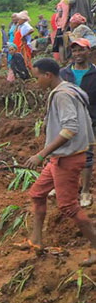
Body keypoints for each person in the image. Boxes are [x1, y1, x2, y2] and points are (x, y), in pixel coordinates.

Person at [23, 58, 96, 266]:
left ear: (48, 75)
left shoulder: (63, 95)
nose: (35, 81)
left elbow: (70, 128)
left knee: (68, 207)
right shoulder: (68, 89)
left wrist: (41, 154)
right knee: (37, 194)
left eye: (37, 76)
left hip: (68, 158)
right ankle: (35, 241)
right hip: (61, 157)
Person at [60, 39, 96, 207]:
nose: (77, 54)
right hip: (67, 120)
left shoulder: (94, 73)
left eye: (81, 50)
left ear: (89, 52)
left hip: (90, 120)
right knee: (64, 152)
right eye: (74, 51)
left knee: (87, 155)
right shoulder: (64, 74)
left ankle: (85, 191)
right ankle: (66, 187)